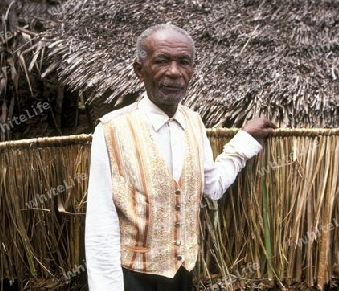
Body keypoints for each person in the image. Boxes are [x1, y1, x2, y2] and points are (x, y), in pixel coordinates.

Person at [85, 23, 276, 291]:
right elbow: (100, 220)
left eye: (183, 62)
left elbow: (212, 186)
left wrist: (245, 140)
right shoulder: (111, 130)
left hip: (184, 274)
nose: (174, 72)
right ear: (139, 70)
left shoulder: (194, 123)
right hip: (131, 278)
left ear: (192, 69)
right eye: (162, 61)